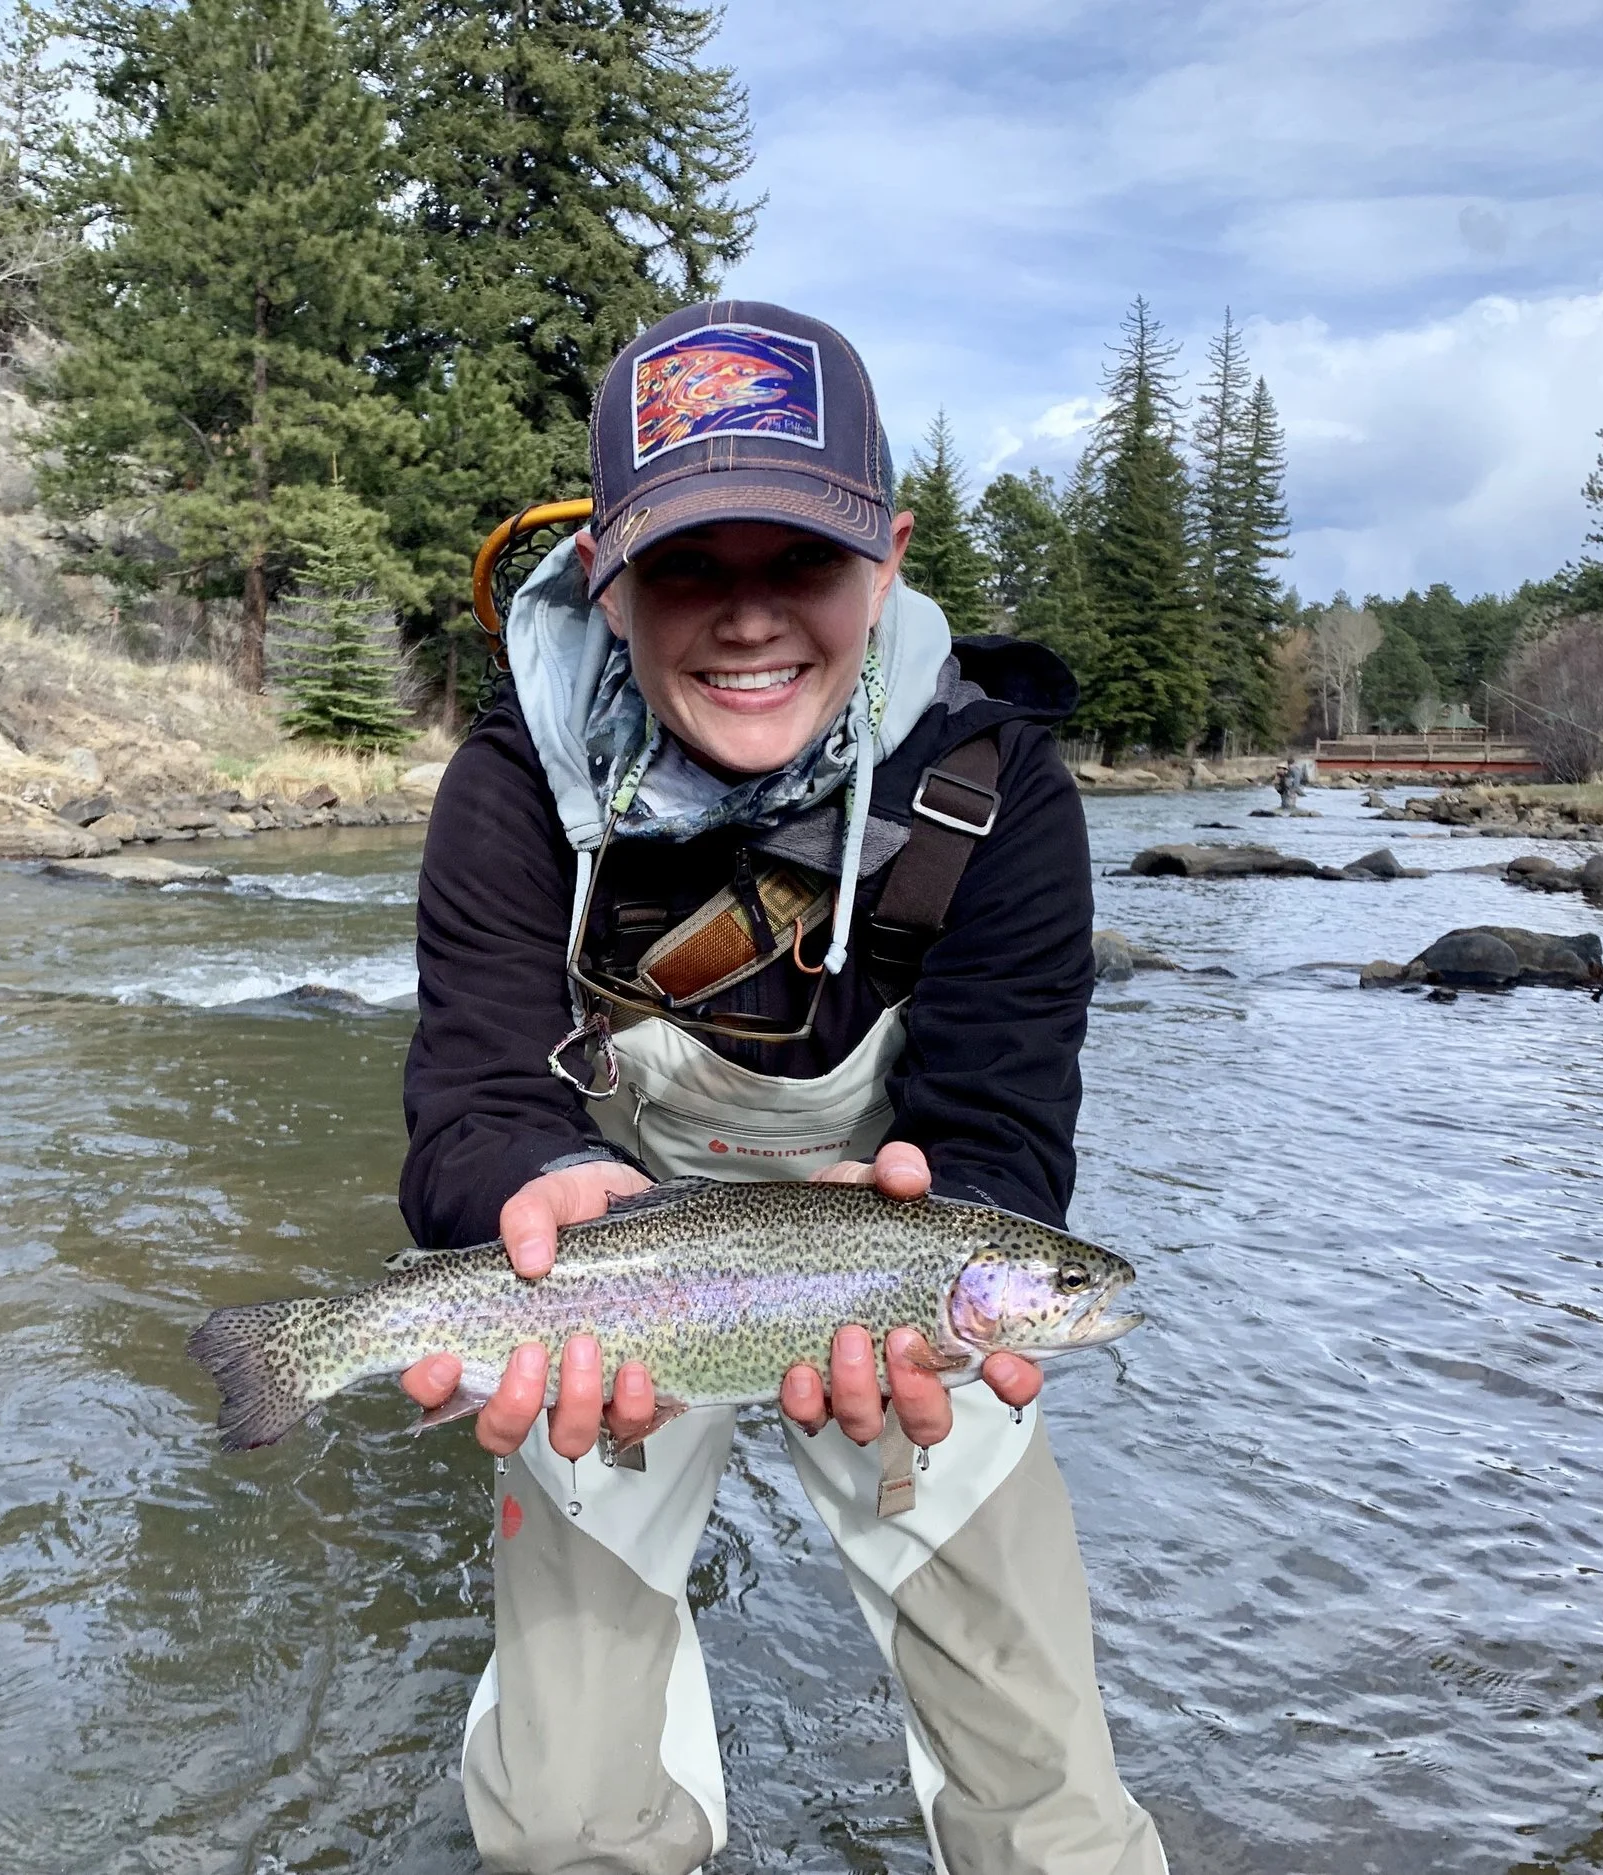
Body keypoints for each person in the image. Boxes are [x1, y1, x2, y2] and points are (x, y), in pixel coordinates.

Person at [398, 300, 1166, 1875]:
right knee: (560, 1829)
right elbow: (469, 1102)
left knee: (1055, 1815)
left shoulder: (997, 784)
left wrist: (981, 1213)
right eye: (689, 565)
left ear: (882, 557)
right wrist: (522, 1189)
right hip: (612, 1280)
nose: (747, 620)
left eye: (797, 563)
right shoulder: (513, 783)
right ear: (608, 580)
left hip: (883, 1280)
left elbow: (1004, 1126)